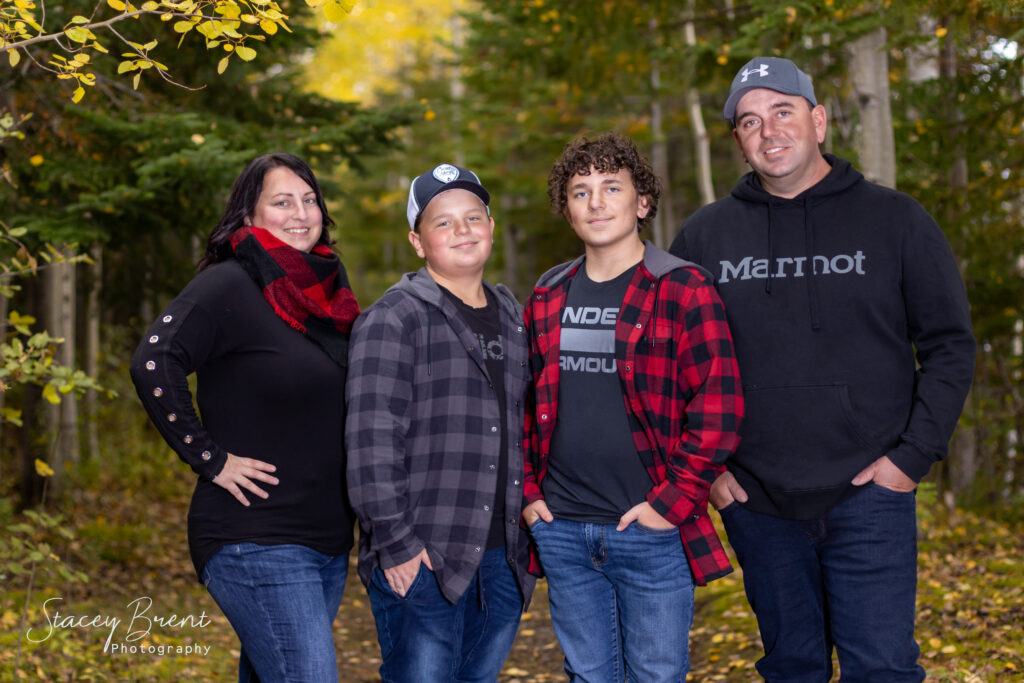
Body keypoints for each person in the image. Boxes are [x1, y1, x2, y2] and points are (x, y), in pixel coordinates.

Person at [669, 57, 977, 681]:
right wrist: (713, 473)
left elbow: (949, 344)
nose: (768, 131)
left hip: (870, 492)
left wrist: (910, 458)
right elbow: (672, 365)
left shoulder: (896, 221)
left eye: (783, 112)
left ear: (817, 120)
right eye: (749, 122)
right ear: (738, 140)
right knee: (792, 666)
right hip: (756, 498)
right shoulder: (704, 237)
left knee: (882, 668)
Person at [522, 132, 744, 682]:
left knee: (657, 675)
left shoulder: (683, 288)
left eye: (611, 186)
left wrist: (672, 503)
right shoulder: (548, 294)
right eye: (580, 191)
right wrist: (528, 496)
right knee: (588, 675)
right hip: (564, 527)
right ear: (567, 211)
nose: (596, 202)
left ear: (641, 203)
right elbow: (521, 406)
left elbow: (720, 407)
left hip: (648, 527)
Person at [130, 152, 360, 682]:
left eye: (310, 200)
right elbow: (152, 361)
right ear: (249, 216)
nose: (301, 212)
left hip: (324, 542)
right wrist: (211, 459)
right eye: (282, 201)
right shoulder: (229, 284)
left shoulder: (329, 298)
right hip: (255, 536)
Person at [345, 163, 536, 683]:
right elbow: (370, 440)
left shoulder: (513, 316)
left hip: (502, 557)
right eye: (443, 222)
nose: (463, 230)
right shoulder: (395, 317)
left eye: (473, 217)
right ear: (417, 240)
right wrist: (397, 543)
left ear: (491, 228)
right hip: (425, 555)